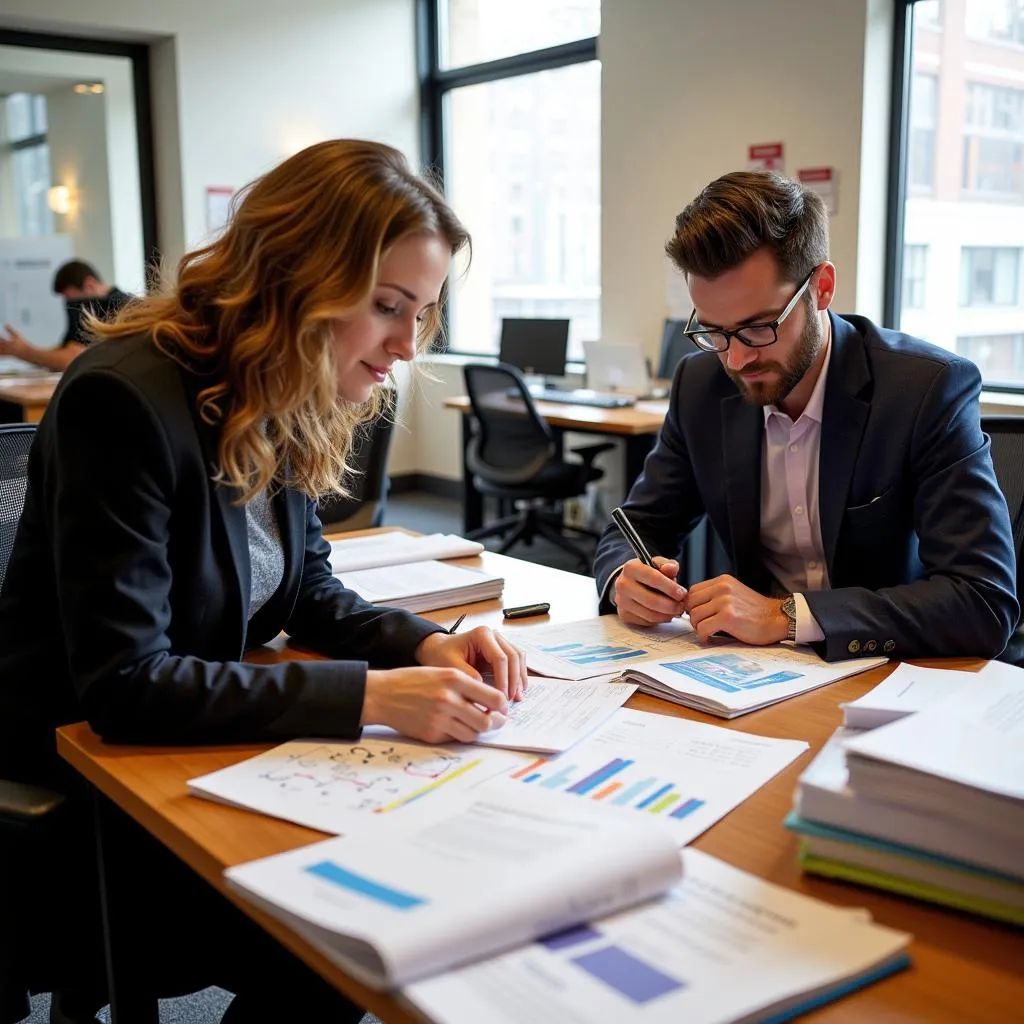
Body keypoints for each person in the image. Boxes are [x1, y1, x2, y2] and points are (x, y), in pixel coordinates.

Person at [0, 140, 525, 1022]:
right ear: (297, 280)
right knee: (355, 929)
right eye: (386, 307)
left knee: (406, 892)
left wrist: (428, 640)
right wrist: (377, 697)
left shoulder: (281, 384)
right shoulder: (124, 400)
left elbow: (308, 590)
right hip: (93, 789)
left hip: (208, 741)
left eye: (423, 312)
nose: (405, 344)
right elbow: (125, 684)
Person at [594, 170, 1018, 663]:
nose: (736, 360)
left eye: (757, 328)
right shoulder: (700, 386)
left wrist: (787, 617)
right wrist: (624, 577)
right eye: (714, 331)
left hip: (892, 672)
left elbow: (983, 601)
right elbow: (635, 525)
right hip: (750, 675)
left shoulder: (924, 390)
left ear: (822, 288)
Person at [0, 259, 133, 371]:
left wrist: (24, 351)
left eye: (70, 299)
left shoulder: (121, 308)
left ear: (89, 284)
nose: (69, 305)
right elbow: (66, 349)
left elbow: (72, 358)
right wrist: (24, 350)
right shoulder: (110, 304)